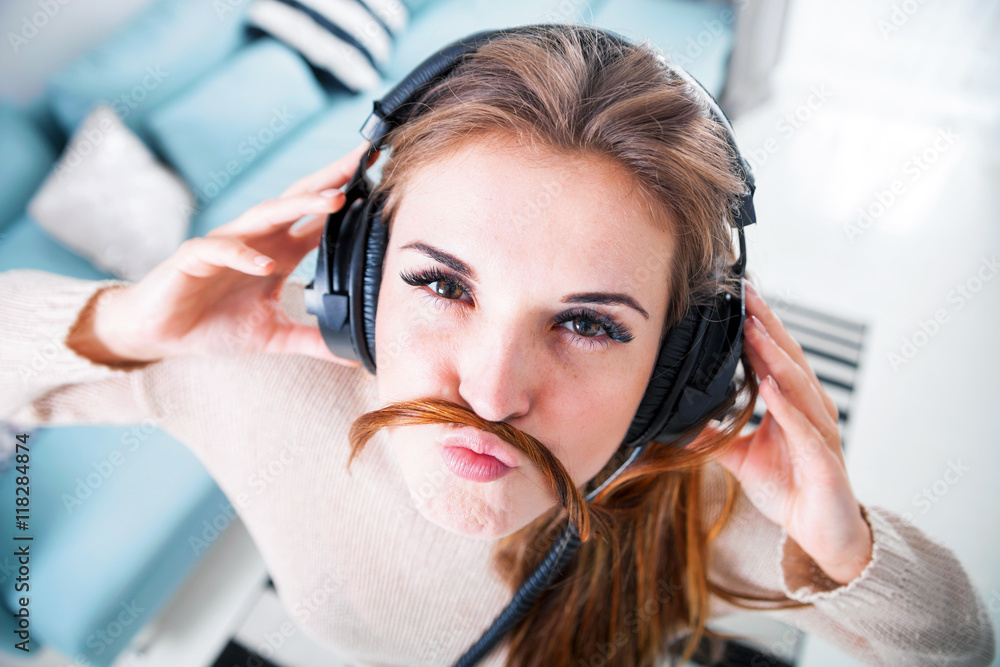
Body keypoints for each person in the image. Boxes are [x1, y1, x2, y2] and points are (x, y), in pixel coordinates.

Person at [1, 24, 994, 667]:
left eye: (590, 322)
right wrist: (126, 324)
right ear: (354, 281)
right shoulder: (248, 383)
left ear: (681, 370)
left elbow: (956, 647)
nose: (489, 390)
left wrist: (850, 545)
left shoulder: (694, 503)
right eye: (440, 284)